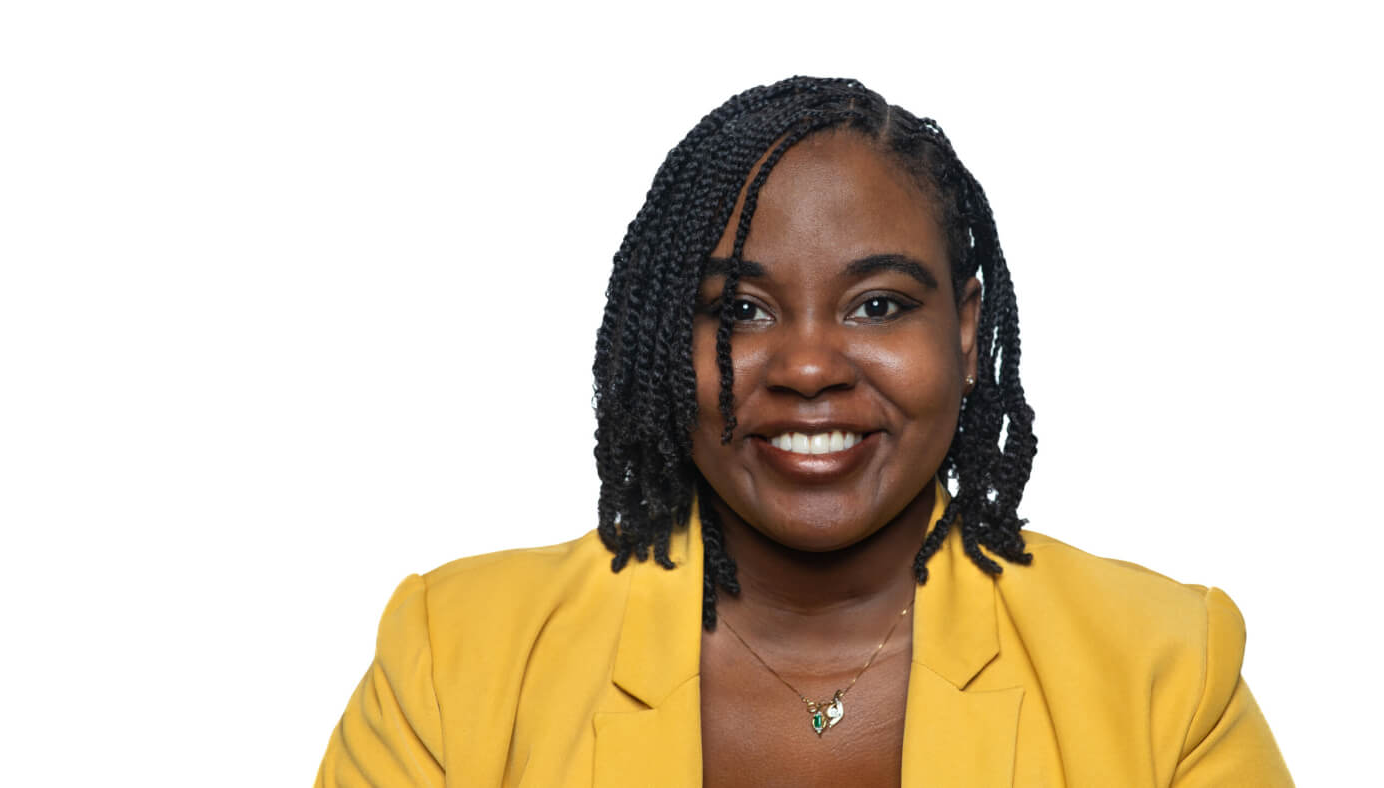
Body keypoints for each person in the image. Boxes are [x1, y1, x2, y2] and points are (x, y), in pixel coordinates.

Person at [314, 76, 1292, 786]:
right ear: (663, 339)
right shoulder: (454, 661)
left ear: (963, 329)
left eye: (875, 305)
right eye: (738, 310)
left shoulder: (1163, 672)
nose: (809, 366)